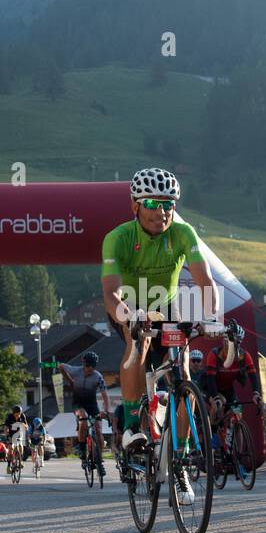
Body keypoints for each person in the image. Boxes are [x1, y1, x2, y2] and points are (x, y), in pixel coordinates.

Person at [100, 167, 218, 503]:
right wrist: (129, 316)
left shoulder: (183, 233)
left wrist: (210, 318)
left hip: (166, 306)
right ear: (135, 206)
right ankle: (134, 424)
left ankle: (178, 462)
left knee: (182, 377)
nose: (161, 210)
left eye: (169, 203)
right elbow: (111, 294)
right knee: (139, 339)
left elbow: (205, 281)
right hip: (128, 305)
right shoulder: (118, 237)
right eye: (152, 202)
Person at [201, 322, 262, 429]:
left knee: (238, 413)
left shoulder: (244, 355)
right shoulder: (215, 354)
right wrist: (215, 397)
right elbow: (210, 380)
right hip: (211, 388)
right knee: (219, 404)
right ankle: (211, 433)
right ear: (224, 342)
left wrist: (256, 394)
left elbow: (253, 376)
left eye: (238, 343)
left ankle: (234, 439)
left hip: (229, 390)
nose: (235, 346)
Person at [60, 350, 112, 467]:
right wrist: (69, 380)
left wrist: (106, 410)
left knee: (98, 429)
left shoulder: (97, 376)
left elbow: (105, 395)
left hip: (91, 405)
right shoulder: (75, 371)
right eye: (87, 366)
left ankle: (99, 457)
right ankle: (83, 452)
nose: (89, 369)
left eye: (92, 366)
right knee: (83, 419)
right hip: (78, 404)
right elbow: (61, 366)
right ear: (83, 364)